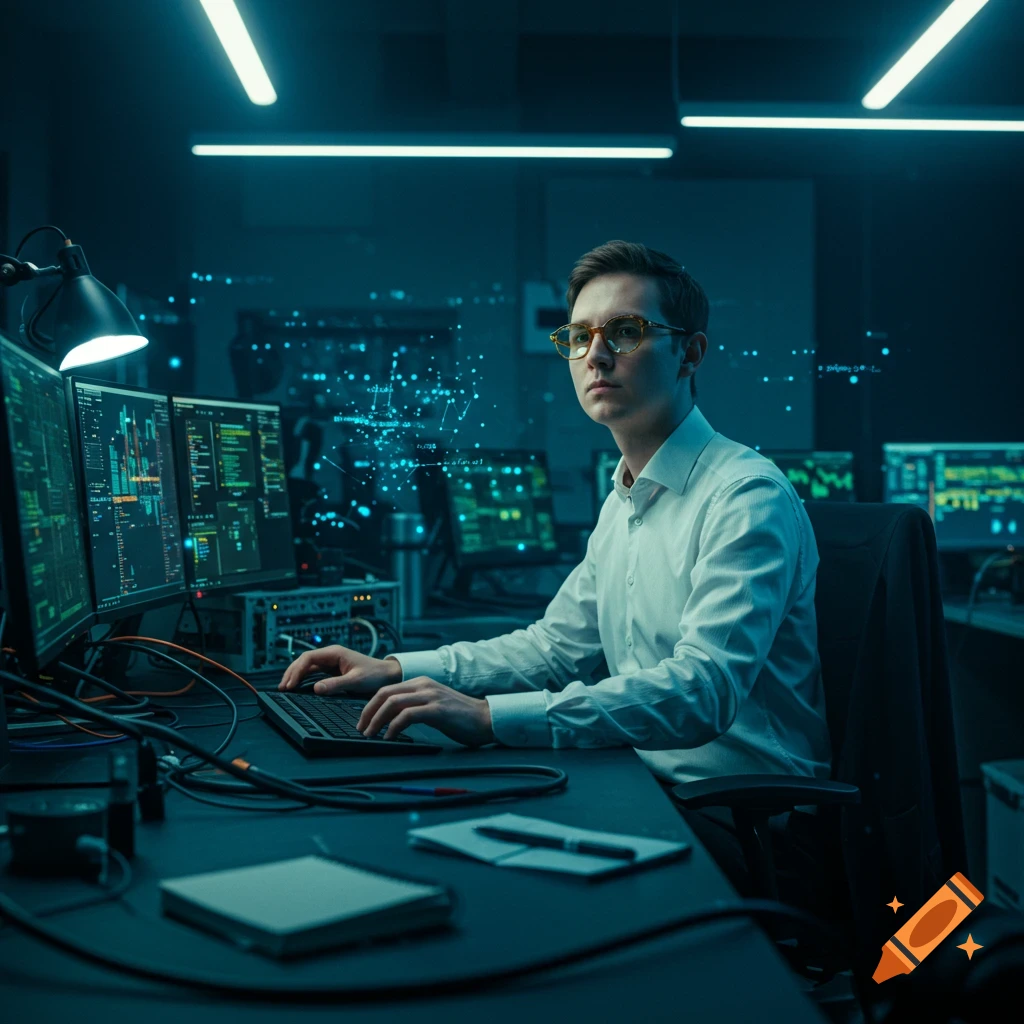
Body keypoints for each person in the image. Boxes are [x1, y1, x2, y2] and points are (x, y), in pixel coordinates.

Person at [280, 240, 832, 912]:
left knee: (489, 888)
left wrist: (489, 718)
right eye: (578, 335)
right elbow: (554, 648)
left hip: (744, 821)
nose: (596, 355)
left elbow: (703, 692)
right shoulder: (625, 497)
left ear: (690, 353)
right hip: (646, 781)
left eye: (625, 332)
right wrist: (396, 668)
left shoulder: (745, 496)